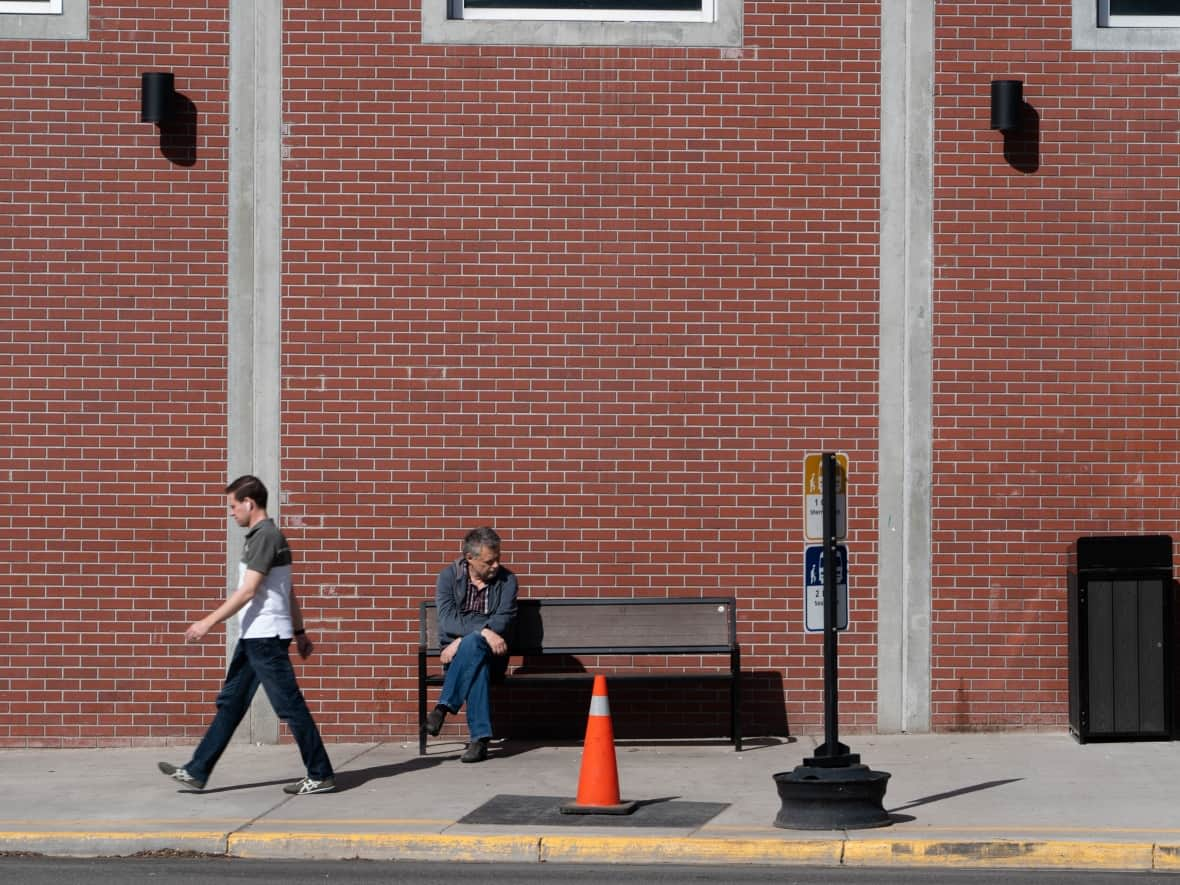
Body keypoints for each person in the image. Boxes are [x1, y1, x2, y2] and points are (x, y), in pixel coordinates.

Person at [157, 475, 335, 794]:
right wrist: (299, 631)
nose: (230, 512)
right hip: (256, 637)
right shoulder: (261, 536)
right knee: (232, 704)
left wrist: (207, 622)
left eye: (233, 505)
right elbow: (287, 590)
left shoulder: (265, 536)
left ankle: (320, 773)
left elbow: (248, 591)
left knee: (289, 706)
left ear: (249, 503)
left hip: (265, 639)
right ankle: (197, 770)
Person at [422, 526, 518, 763]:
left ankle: (442, 709)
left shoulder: (508, 581)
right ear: (470, 558)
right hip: (459, 660)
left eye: (498, 559)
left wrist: (461, 639)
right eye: (489, 561)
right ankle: (480, 741)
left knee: (475, 645)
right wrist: (483, 631)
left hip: (494, 655)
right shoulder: (448, 577)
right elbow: (447, 620)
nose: (496, 565)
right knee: (476, 660)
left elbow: (503, 621)